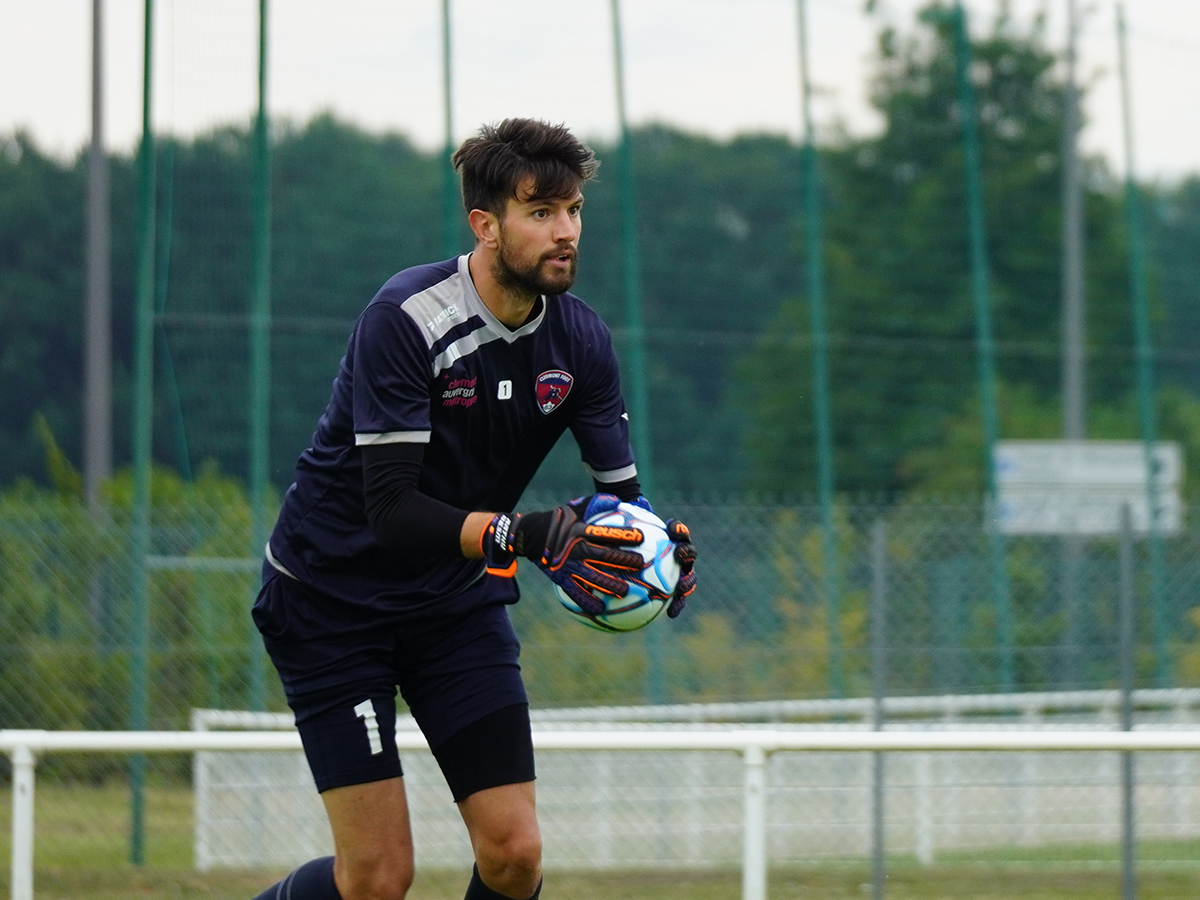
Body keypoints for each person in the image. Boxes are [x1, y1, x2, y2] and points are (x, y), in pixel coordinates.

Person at [249, 117, 697, 900]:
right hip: (330, 602)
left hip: (453, 603)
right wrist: (522, 534)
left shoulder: (582, 342)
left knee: (515, 854)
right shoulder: (407, 318)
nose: (567, 233)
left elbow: (622, 502)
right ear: (486, 226)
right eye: (541, 212)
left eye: (575, 211)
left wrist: (657, 556)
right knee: (380, 879)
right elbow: (390, 511)